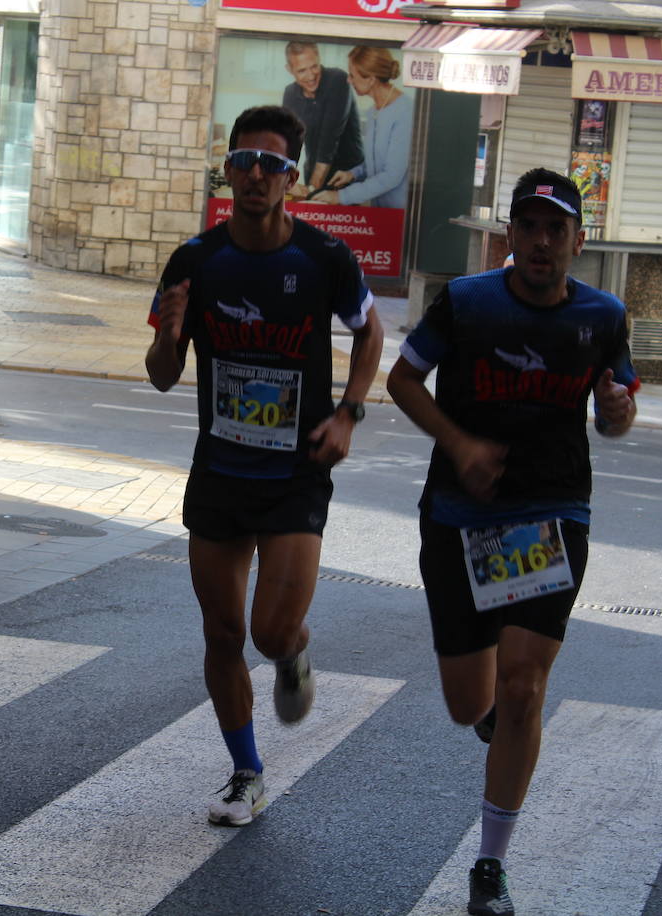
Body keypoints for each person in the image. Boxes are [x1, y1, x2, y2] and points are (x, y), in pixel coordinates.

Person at [387, 168, 638, 916]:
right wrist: (460, 445)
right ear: (509, 237)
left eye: (554, 229)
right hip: (460, 517)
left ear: (577, 242)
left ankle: (490, 868)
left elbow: (616, 419)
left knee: (525, 684)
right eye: (526, 227)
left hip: (553, 513)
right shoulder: (466, 303)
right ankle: (496, 720)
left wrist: (617, 408)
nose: (539, 241)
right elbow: (402, 381)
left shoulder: (604, 316)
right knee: (472, 704)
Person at [145, 105, 383, 828]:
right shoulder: (193, 261)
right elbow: (159, 373)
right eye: (245, 161)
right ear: (228, 168)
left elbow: (370, 332)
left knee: (270, 631)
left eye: (274, 166)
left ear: (290, 181)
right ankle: (246, 772)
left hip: (295, 472)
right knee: (221, 635)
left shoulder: (322, 259)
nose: (257, 176)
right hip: (219, 469)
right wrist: (173, 334)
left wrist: (349, 412)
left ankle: (293, 652)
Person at [313, 46, 413, 210]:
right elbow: (376, 163)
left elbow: (392, 175)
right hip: (380, 211)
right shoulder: (375, 111)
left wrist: (341, 196)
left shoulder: (405, 112)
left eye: (352, 75)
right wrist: (352, 174)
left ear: (371, 79)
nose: (348, 80)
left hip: (400, 215)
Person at [280, 42, 364, 202]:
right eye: (302, 70)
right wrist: (287, 178)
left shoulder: (338, 80)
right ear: (290, 70)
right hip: (313, 172)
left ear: (319, 60)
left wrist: (311, 190)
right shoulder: (290, 94)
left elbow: (329, 140)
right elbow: (287, 142)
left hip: (348, 176)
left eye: (314, 66)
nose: (311, 76)